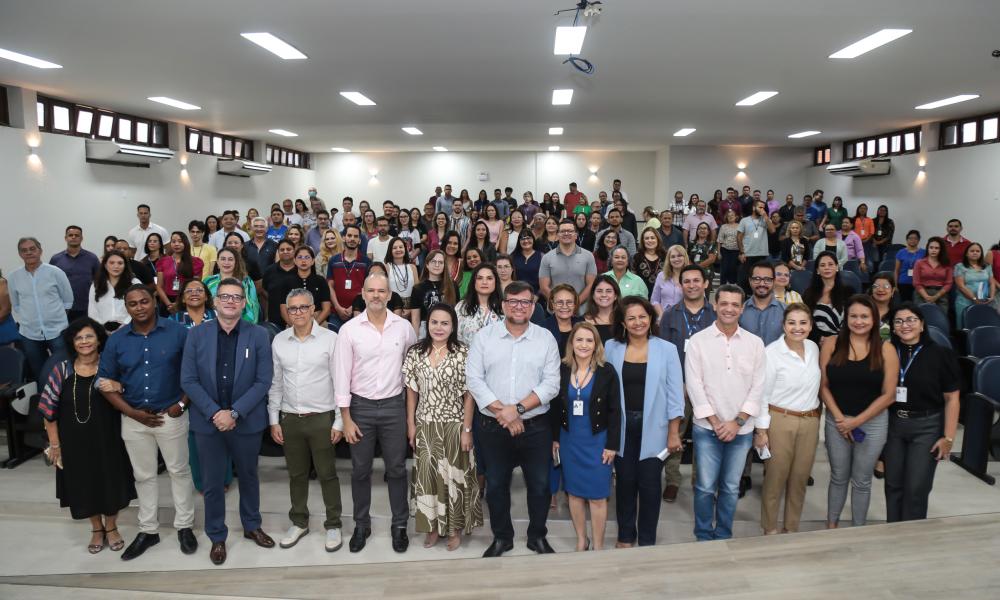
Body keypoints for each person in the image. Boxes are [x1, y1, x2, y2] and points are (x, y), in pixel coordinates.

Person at [96, 285, 197, 561]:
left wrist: (181, 404)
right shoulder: (117, 340)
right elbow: (103, 383)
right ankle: (148, 530)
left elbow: (194, 373)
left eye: (144, 301)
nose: (139, 307)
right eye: (132, 303)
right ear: (126, 307)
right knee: (143, 476)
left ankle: (184, 526)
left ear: (154, 301)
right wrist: (131, 413)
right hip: (134, 418)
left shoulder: (178, 332)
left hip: (170, 415)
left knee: (179, 471)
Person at [180, 278, 275, 564]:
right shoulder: (197, 335)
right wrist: (215, 413)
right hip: (207, 423)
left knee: (248, 477)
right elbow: (188, 379)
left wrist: (234, 413)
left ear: (245, 303)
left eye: (237, 297)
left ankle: (251, 526)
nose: (231, 301)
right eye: (225, 296)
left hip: (245, 421)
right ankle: (217, 535)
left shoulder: (258, 334)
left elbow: (263, 381)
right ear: (215, 302)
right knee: (211, 483)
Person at [466, 281, 561, 558]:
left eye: (525, 302)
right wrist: (503, 413)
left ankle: (537, 536)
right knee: (495, 485)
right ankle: (502, 537)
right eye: (513, 301)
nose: (519, 307)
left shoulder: (545, 339)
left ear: (533, 306)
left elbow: (551, 384)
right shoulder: (485, 337)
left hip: (535, 427)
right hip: (492, 426)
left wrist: (516, 410)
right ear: (504, 304)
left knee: (540, 485)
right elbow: (474, 379)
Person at [333, 273, 418, 554]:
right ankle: (361, 525)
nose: (376, 295)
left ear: (390, 295)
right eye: (371, 291)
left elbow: (412, 375)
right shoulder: (349, 330)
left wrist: (410, 418)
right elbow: (341, 375)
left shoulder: (404, 328)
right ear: (363, 293)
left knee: (396, 469)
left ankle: (400, 525)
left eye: (382, 291)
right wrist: (345, 418)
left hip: (394, 405)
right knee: (360, 470)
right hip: (360, 408)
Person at [40, 317, 136, 554]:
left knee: (111, 483)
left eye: (89, 336)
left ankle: (112, 527)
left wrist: (119, 386)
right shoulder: (61, 370)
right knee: (83, 484)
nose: (84, 342)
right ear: (72, 343)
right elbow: (47, 411)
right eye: (79, 338)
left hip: (108, 439)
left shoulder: (110, 367)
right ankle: (96, 528)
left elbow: (130, 395)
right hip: (74, 443)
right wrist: (55, 445)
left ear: (99, 339)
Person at [267, 288, 345, 552]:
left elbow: (339, 382)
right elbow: (275, 383)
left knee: (327, 474)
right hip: (290, 418)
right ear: (287, 313)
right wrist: (274, 419)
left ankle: (333, 524)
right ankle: (299, 521)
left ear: (314, 309)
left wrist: (338, 421)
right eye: (292, 309)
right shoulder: (278, 340)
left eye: (303, 307)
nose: (298, 313)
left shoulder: (331, 339)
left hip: (322, 417)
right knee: (296, 474)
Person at [686, 284, 765, 541]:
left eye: (735, 304)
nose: (729, 309)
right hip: (707, 429)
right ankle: (703, 536)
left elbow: (758, 386)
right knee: (705, 488)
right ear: (715, 306)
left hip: (741, 431)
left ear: (742, 308)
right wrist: (716, 421)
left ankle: (722, 536)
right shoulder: (698, 342)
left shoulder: (755, 344)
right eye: (724, 304)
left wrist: (737, 422)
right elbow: (694, 385)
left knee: (731, 488)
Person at [603, 297, 684, 547]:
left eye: (642, 316)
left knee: (649, 486)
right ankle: (626, 536)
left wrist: (673, 432)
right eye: (631, 318)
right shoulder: (611, 347)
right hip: (621, 428)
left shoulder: (667, 349)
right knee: (625, 483)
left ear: (651, 318)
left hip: (656, 430)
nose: (638, 322)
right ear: (623, 323)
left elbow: (675, 395)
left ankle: (648, 539)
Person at [404, 303, 483, 550]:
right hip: (425, 423)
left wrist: (467, 429)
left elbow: (469, 394)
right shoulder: (415, 352)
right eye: (435, 322)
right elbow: (411, 390)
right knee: (427, 479)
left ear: (453, 326)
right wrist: (411, 424)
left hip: (454, 424)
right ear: (428, 324)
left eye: (445, 323)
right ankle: (432, 527)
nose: (439, 327)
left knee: (455, 480)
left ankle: (454, 529)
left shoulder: (463, 352)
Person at [820, 294, 899, 529]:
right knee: (838, 477)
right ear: (846, 319)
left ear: (874, 319)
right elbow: (823, 386)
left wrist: (857, 422)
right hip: (837, 421)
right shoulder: (832, 343)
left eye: (864, 316)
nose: (859, 321)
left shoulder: (886, 349)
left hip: (872, 424)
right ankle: (832, 524)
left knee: (862, 480)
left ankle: (858, 528)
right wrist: (840, 418)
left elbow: (889, 395)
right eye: (853, 316)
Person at [884, 303, 960, 522]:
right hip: (893, 425)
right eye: (898, 321)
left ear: (922, 324)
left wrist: (948, 437)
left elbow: (952, 398)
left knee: (916, 487)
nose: (905, 325)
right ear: (893, 327)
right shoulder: (887, 351)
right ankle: (893, 533)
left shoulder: (940, 354)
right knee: (893, 485)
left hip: (927, 426)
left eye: (911, 320)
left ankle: (911, 539)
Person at [551, 322, 620, 551]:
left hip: (598, 442)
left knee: (598, 497)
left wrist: (612, 445)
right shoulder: (561, 369)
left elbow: (614, 411)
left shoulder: (606, 371)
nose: (584, 344)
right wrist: (554, 438)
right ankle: (582, 539)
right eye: (579, 339)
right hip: (569, 441)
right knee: (574, 494)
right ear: (571, 343)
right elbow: (553, 408)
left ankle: (598, 545)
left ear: (596, 345)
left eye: (589, 340)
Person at [755, 303, 821, 534]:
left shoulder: (813, 348)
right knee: (776, 478)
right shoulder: (771, 353)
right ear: (783, 325)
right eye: (792, 322)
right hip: (780, 420)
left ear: (811, 326)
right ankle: (770, 528)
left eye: (803, 322)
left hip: (811, 422)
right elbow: (761, 394)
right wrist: (761, 431)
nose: (797, 328)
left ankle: (791, 527)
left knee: (800, 479)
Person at [658, 264, 716, 502]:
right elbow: (664, 352)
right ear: (680, 286)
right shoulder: (671, 314)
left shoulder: (715, 315)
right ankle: (672, 480)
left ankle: (701, 481)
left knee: (705, 436)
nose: (692, 285)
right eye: (687, 281)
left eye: (696, 281)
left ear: (705, 284)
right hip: (678, 387)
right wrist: (676, 383)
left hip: (709, 388)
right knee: (675, 434)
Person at [9, 237, 73, 380]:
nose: (29, 253)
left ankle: (65, 400)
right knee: (39, 372)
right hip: (29, 334)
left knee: (64, 370)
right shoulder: (14, 277)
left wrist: (56, 317)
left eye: (32, 249)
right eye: (24, 250)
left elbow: (68, 300)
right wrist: (27, 319)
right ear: (20, 254)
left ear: (40, 250)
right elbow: (16, 304)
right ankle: (43, 400)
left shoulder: (55, 272)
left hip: (58, 331)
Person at [539, 219, 598, 305]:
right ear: (557, 235)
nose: (566, 233)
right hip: (555, 310)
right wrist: (560, 304)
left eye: (570, 231)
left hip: (581, 311)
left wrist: (576, 304)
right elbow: (544, 287)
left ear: (576, 235)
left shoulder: (588, 256)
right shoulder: (547, 257)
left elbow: (591, 285)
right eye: (563, 231)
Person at [50, 225, 101, 322]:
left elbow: (99, 281)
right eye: (70, 235)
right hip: (63, 308)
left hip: (87, 307)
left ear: (81, 238)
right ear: (66, 238)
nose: (73, 237)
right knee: (66, 336)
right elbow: (51, 284)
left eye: (77, 235)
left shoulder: (92, 258)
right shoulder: (56, 259)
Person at [326, 225, 371, 331]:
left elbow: (366, 288)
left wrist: (353, 307)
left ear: (359, 240)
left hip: (358, 312)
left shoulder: (366, 262)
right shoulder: (333, 260)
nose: (352, 239)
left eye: (356, 236)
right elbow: (330, 286)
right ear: (343, 237)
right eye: (349, 235)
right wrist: (338, 307)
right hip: (336, 313)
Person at [88, 251, 140, 333]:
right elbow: (92, 311)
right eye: (112, 263)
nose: (116, 266)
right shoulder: (96, 284)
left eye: (120, 263)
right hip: (102, 331)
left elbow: (139, 308)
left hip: (129, 329)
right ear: (105, 265)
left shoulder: (134, 283)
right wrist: (101, 329)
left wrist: (125, 325)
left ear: (125, 265)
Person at [204, 248, 259, 324]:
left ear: (236, 262)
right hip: (211, 324)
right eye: (223, 259)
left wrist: (246, 328)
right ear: (217, 262)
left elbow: (252, 307)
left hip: (240, 325)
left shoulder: (245, 281)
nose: (226, 262)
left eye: (230, 259)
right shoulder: (208, 281)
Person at [410, 250, 458, 336]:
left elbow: (456, 312)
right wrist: (415, 339)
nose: (437, 265)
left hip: (448, 328)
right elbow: (415, 318)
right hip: (426, 329)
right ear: (427, 265)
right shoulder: (418, 288)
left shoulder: (452, 285)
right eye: (433, 262)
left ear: (444, 265)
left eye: (440, 262)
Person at [804, 251, 849, 341]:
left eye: (830, 264)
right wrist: (820, 339)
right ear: (817, 270)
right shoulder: (809, 293)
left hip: (843, 342)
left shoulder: (848, 292)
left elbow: (852, 319)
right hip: (816, 341)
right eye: (823, 265)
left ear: (837, 267)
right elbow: (805, 320)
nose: (827, 268)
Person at [156, 232, 204, 314]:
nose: (176, 244)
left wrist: (179, 303)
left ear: (185, 243)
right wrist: (169, 305)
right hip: (167, 301)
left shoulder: (196, 262)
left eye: (180, 241)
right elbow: (159, 287)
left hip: (187, 299)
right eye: (173, 241)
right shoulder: (162, 261)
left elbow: (196, 285)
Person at [457, 264, 504, 345]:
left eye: (489, 278)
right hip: (467, 355)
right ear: (474, 282)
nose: (484, 282)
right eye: (479, 278)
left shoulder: (505, 307)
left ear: (495, 282)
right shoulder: (461, 307)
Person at [953, 243, 997, 329]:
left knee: (982, 326)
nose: (975, 253)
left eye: (978, 251)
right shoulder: (960, 266)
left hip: (985, 302)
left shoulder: (987, 266)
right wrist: (974, 299)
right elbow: (961, 286)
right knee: (965, 328)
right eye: (972, 251)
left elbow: (992, 283)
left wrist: (991, 297)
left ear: (981, 253)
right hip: (964, 302)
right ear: (966, 253)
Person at [740, 262, 785, 346]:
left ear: (774, 281)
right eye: (757, 279)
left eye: (767, 279)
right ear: (750, 281)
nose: (762, 284)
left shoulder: (785, 311)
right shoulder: (740, 311)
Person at [736, 200, 774, 290]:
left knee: (759, 279)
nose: (762, 210)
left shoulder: (766, 219)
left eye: (763, 208)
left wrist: (765, 216)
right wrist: (741, 252)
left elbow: (772, 231)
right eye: (760, 207)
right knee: (744, 280)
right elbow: (739, 237)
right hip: (748, 254)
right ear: (754, 208)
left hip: (762, 255)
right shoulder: (744, 220)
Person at [913, 237, 952, 315]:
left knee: (940, 318)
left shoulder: (946, 264)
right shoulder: (919, 263)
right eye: (931, 247)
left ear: (941, 250)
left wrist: (936, 296)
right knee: (921, 318)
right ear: (928, 248)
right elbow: (916, 282)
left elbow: (949, 283)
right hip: (922, 293)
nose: (933, 250)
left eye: (936, 248)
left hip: (940, 294)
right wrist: (926, 297)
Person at [541, 284, 583, 355]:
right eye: (560, 302)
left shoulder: (582, 324)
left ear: (575, 304)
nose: (564, 306)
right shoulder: (542, 328)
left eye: (569, 302)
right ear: (553, 304)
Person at [650, 245, 689, 319]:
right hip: (664, 319)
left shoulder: (691, 276)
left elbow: (700, 300)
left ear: (685, 258)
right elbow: (654, 300)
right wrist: (662, 315)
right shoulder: (661, 276)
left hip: (685, 319)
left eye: (679, 256)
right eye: (673, 257)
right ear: (669, 260)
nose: (676, 259)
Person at [384, 238, 419, 312]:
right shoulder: (386, 267)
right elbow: (385, 290)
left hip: (411, 307)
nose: (398, 250)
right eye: (394, 248)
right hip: (392, 306)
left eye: (401, 247)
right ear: (390, 250)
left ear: (405, 249)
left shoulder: (412, 267)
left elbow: (417, 290)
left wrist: (410, 310)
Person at [584, 275, 621, 344]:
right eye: (599, 291)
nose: (604, 295)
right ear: (593, 295)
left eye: (608, 291)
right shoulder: (582, 322)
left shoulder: (624, 321)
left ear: (615, 296)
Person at [633, 228, 665, 297]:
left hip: (663, 296)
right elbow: (633, 278)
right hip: (642, 296)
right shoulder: (637, 257)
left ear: (657, 239)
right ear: (643, 241)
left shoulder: (665, 256)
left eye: (652, 238)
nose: (649, 240)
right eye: (647, 238)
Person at [894, 230, 925, 302]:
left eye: (915, 238)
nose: (913, 240)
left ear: (919, 240)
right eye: (910, 238)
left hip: (919, 283)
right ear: (907, 239)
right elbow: (896, 270)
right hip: (903, 283)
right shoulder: (901, 252)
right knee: (905, 304)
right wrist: (895, 285)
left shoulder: (924, 252)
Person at [688, 223, 718, 287]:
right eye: (700, 228)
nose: (702, 230)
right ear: (697, 231)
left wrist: (697, 268)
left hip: (706, 273)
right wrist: (692, 269)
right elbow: (688, 258)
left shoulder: (712, 244)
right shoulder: (691, 243)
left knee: (705, 295)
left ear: (708, 232)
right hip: (692, 273)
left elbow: (711, 259)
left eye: (705, 228)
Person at [869, 272, 897, 340]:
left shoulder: (897, 314)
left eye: (886, 286)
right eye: (876, 286)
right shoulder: (862, 312)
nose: (880, 290)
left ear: (892, 291)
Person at [716, 210, 740, 284]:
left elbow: (743, 239)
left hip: (736, 251)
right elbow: (719, 240)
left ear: (736, 217)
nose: (730, 217)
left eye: (732, 215)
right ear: (726, 217)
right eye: (729, 216)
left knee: (733, 269)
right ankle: (722, 286)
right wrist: (719, 253)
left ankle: (732, 285)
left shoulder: (740, 226)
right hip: (725, 250)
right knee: (725, 269)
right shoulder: (723, 226)